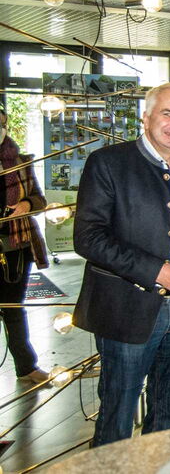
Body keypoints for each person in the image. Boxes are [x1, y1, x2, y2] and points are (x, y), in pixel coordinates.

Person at [73, 82, 170, 447]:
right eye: (167, 113)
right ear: (145, 118)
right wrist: (159, 271)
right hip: (128, 308)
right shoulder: (109, 163)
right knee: (117, 416)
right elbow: (89, 238)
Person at [0, 108, 50, 384]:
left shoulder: (21, 162)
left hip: (16, 247)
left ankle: (26, 366)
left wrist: (26, 205)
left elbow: (40, 201)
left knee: (13, 307)